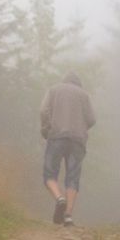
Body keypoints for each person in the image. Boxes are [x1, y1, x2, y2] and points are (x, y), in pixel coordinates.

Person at [40, 71, 95, 226]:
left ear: (64, 81)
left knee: (49, 174)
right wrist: (81, 127)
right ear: (78, 84)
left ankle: (59, 198)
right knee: (73, 177)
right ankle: (68, 215)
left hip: (57, 136)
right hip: (78, 141)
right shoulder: (84, 95)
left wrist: (46, 128)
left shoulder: (53, 90)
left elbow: (44, 111)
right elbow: (92, 119)